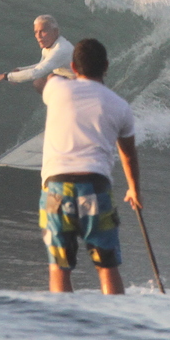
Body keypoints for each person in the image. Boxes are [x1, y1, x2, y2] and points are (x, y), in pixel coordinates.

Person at [37, 37, 142, 295]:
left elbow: (43, 80)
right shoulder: (119, 106)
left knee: (59, 266)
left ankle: (63, 324)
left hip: (55, 191)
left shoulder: (56, 89)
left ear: (73, 67)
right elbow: (128, 155)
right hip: (94, 188)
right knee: (106, 266)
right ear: (106, 66)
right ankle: (113, 323)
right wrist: (134, 190)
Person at [0, 14, 74, 92]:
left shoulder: (61, 49)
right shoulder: (49, 47)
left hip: (83, 85)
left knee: (52, 78)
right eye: (36, 32)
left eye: (43, 31)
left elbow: (36, 73)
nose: (38, 36)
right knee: (39, 83)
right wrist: (21, 69)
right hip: (71, 83)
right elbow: (41, 65)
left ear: (55, 32)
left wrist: (6, 76)